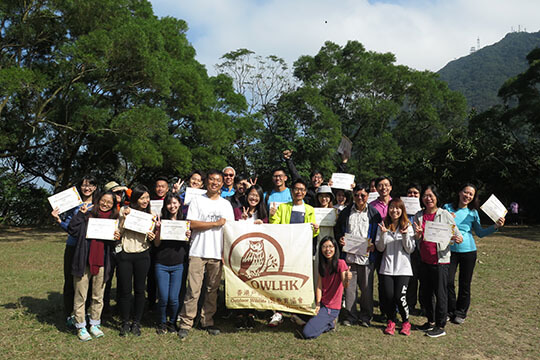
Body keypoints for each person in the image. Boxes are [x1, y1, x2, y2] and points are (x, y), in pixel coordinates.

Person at [177, 170, 234, 339]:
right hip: (198, 251)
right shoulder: (196, 200)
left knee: (212, 290)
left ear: (222, 184)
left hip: (217, 253)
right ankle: (186, 322)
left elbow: (230, 229)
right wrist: (214, 223)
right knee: (193, 290)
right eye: (211, 180)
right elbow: (191, 223)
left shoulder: (226, 205)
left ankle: (207, 320)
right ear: (206, 182)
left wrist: (226, 252)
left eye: (218, 181)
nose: (215, 183)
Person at [443, 184, 505, 324]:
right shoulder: (447, 208)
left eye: (471, 194)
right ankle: (449, 310)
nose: (467, 196)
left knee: (465, 284)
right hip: (449, 251)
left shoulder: (473, 213)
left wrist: (496, 226)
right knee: (448, 282)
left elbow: (480, 233)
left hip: (469, 252)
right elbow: (438, 225)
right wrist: (447, 219)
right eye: (466, 192)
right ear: (459, 192)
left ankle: (460, 312)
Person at [268, 178, 320, 326]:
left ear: (305, 193)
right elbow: (275, 225)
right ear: (292, 191)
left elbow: (313, 233)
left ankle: (295, 312)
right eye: (296, 189)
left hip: (301, 252)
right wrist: (272, 215)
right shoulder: (283, 207)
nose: (299, 192)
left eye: (302, 190)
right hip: (285, 249)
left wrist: (316, 230)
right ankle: (277, 313)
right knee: (280, 280)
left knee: (297, 281)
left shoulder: (309, 209)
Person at [413, 185, 463, 338]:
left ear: (436, 197)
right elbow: (416, 239)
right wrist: (418, 235)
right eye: (425, 196)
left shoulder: (445, 215)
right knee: (426, 293)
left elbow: (456, 235)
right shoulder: (418, 215)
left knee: (440, 294)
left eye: (431, 195)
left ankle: (441, 325)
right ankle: (430, 321)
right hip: (424, 260)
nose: (428, 198)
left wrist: (457, 239)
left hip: (440, 261)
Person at [68, 191, 118, 341]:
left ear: (113, 205)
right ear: (98, 200)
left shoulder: (113, 221)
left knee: (98, 295)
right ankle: (81, 326)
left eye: (109, 202)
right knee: (81, 295)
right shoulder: (88, 215)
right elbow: (72, 229)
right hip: (83, 260)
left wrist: (116, 237)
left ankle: (94, 324)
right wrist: (80, 215)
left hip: (102, 261)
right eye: (103, 201)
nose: (105, 204)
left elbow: (112, 244)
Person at [50, 175, 97, 329]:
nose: (87, 188)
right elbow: (70, 228)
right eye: (84, 185)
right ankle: (69, 314)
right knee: (70, 281)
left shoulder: (98, 205)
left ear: (95, 188)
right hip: (73, 247)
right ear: (80, 187)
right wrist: (59, 221)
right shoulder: (72, 205)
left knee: (89, 282)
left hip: (91, 249)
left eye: (90, 185)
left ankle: (87, 312)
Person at [334, 184, 381, 327]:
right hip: (349, 257)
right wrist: (340, 239)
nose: (360, 198)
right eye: (357, 195)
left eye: (363, 195)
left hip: (366, 258)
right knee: (349, 288)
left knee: (366, 289)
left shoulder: (374, 214)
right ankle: (350, 315)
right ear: (353, 196)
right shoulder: (346, 212)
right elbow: (338, 230)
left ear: (368, 196)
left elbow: (378, 233)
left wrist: (374, 244)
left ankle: (366, 316)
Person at [115, 185, 157, 337]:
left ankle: (136, 322)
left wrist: (152, 237)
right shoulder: (125, 211)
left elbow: (152, 236)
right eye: (142, 198)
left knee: (140, 290)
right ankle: (125, 322)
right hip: (125, 253)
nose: (145, 200)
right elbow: (118, 232)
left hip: (143, 254)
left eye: (147, 197)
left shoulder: (151, 215)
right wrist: (124, 220)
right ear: (135, 199)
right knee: (125, 291)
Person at [375, 198, 415, 336]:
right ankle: (391, 320)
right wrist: (384, 234)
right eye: (392, 207)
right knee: (389, 296)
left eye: (398, 208)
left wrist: (404, 235)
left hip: (403, 269)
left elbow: (410, 249)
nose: (394, 210)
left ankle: (405, 321)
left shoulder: (408, 226)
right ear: (388, 210)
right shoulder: (383, 225)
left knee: (400, 296)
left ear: (402, 210)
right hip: (387, 268)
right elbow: (379, 248)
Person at [300, 236, 351, 339]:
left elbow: (345, 285)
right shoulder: (322, 264)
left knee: (307, 333)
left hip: (331, 308)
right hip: (322, 304)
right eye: (324, 247)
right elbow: (319, 286)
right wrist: (318, 303)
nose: (328, 250)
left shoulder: (341, 263)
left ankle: (330, 324)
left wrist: (347, 278)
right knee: (296, 313)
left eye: (330, 246)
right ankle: (318, 320)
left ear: (335, 248)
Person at [154, 192, 191, 334]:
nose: (172, 206)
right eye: (169, 203)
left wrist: (188, 236)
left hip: (178, 265)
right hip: (161, 264)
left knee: (174, 299)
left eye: (175, 203)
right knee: (163, 297)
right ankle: (161, 322)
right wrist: (158, 230)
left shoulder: (185, 221)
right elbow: (156, 244)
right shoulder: (161, 221)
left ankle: (172, 322)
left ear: (180, 204)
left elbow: (187, 245)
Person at [233, 184, 268, 330]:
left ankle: (251, 313)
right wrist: (242, 220)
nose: (254, 198)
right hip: (239, 253)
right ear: (246, 196)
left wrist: (263, 224)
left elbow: (269, 233)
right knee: (239, 281)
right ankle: (239, 314)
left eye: (257, 196)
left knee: (254, 282)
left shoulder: (263, 216)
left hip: (258, 257)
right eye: (251, 195)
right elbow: (231, 228)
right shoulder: (237, 211)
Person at [405, 183, 423, 315]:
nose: (412, 195)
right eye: (410, 192)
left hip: (420, 249)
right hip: (405, 248)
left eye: (415, 193)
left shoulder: (423, 211)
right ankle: (406, 303)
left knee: (417, 277)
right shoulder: (401, 210)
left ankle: (415, 304)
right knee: (408, 277)